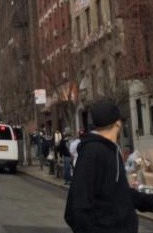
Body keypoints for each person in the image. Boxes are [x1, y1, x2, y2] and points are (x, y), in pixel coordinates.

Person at [65, 99, 153, 233]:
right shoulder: (93, 152)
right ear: (118, 124)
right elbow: (76, 209)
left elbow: (120, 194)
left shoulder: (110, 150)